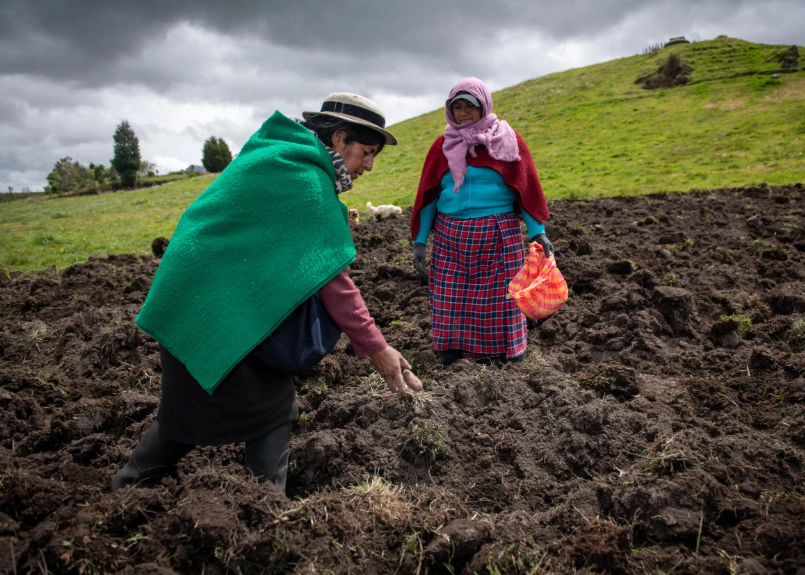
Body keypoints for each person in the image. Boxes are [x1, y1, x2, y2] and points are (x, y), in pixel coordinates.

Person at [112, 93, 421, 494]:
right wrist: (378, 348)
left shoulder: (280, 159)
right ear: (340, 138)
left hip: (204, 302)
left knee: (192, 411)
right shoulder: (307, 183)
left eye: (374, 156)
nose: (368, 165)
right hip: (215, 311)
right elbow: (333, 281)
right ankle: (267, 509)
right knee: (260, 411)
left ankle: (133, 487)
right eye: (366, 152)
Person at [410, 77, 552, 367]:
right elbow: (429, 197)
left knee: (501, 298)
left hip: (498, 234)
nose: (463, 113)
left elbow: (525, 188)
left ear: (484, 106)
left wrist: (538, 232)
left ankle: (509, 355)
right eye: (457, 107)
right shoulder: (442, 146)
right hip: (451, 237)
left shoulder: (508, 140)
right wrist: (420, 242)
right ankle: (450, 353)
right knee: (451, 297)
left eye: (470, 107)